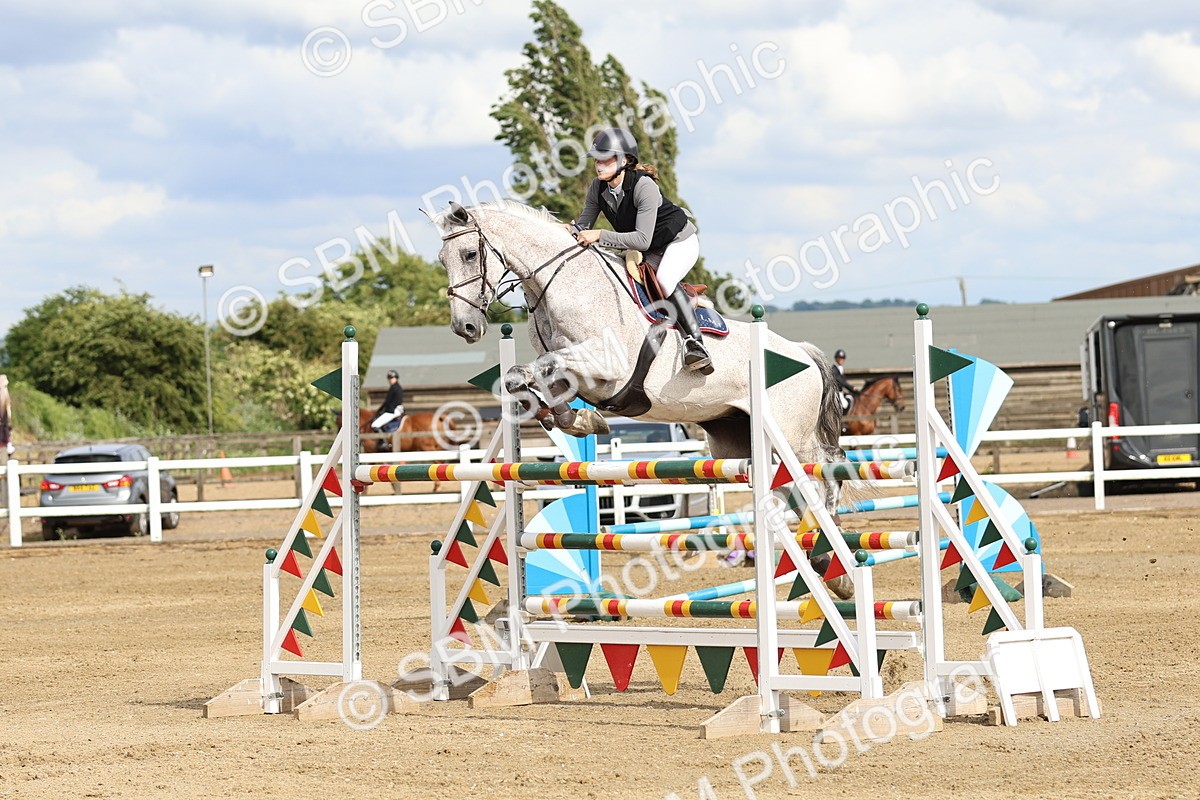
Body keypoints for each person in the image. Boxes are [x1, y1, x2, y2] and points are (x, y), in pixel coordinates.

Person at [569, 128, 712, 375]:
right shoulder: (597, 188)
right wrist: (568, 231)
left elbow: (642, 240)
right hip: (648, 247)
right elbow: (584, 225)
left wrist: (601, 235)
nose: (599, 165)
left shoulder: (644, 186)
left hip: (677, 241)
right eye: (597, 160)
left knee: (665, 279)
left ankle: (696, 344)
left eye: (606, 159)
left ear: (625, 161)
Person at [0, 374, 12, 458]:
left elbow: (8, 405)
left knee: (5, 429)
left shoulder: (5, 394)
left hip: (4, 418)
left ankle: (8, 444)